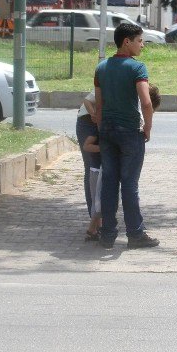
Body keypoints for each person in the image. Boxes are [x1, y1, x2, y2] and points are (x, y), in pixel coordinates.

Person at [94, 21, 159, 250]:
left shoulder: (101, 68)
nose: (142, 45)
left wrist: (102, 130)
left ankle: (107, 234)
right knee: (130, 184)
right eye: (140, 41)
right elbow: (147, 103)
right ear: (127, 42)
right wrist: (147, 127)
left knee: (110, 183)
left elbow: (99, 106)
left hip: (107, 132)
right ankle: (135, 234)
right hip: (130, 132)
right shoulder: (137, 68)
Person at [76, 91, 104, 241]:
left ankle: (99, 220)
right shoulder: (107, 76)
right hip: (88, 122)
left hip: (102, 121)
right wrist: (94, 114)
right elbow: (88, 100)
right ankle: (95, 220)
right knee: (92, 169)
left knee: (104, 172)